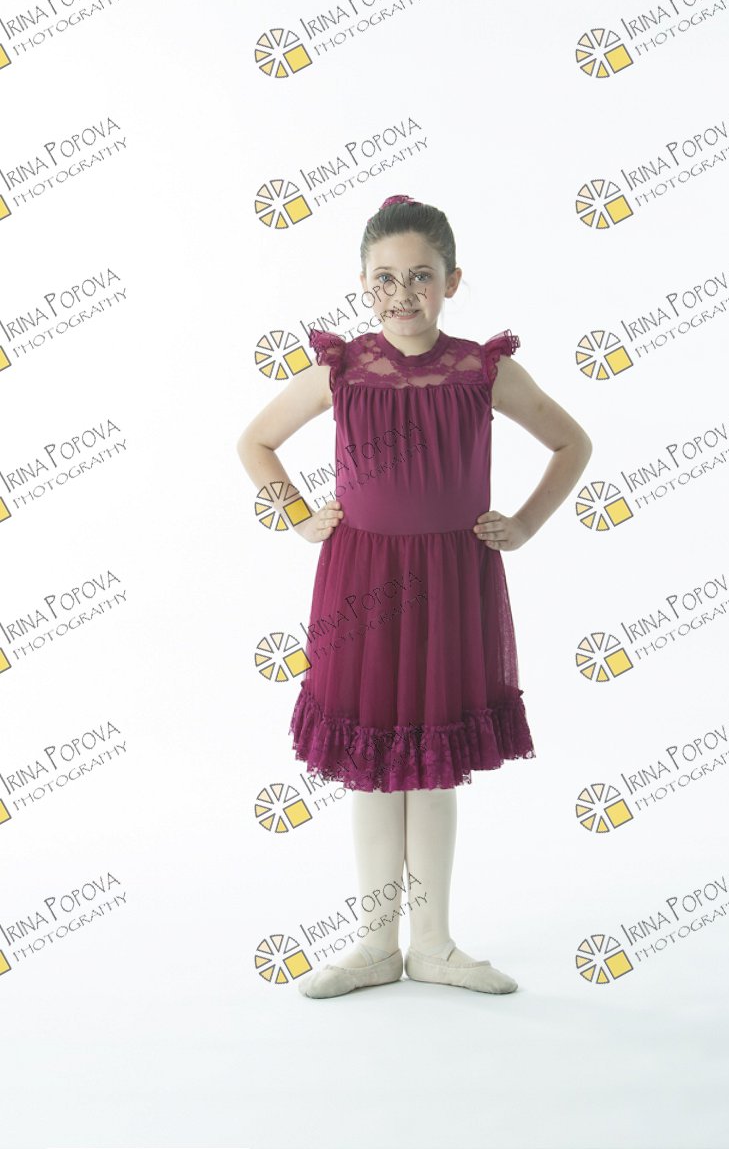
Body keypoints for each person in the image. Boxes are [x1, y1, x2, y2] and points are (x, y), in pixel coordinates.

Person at [236, 195, 593, 999]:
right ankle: (374, 943)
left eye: (422, 276)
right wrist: (299, 516)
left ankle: (432, 943)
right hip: (361, 580)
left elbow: (572, 441)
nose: (403, 294)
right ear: (364, 283)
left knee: (431, 765)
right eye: (386, 278)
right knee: (372, 765)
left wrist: (525, 523)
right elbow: (255, 441)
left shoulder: (482, 370)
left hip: (451, 581)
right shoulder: (343, 369)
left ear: (452, 281)